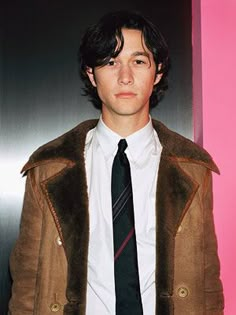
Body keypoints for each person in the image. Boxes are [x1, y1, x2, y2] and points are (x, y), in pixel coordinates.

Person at [8, 10, 224, 315]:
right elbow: (27, 281)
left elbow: (207, 284)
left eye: (138, 61)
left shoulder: (193, 168)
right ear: (91, 74)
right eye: (111, 62)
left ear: (158, 72)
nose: (125, 76)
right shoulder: (49, 167)